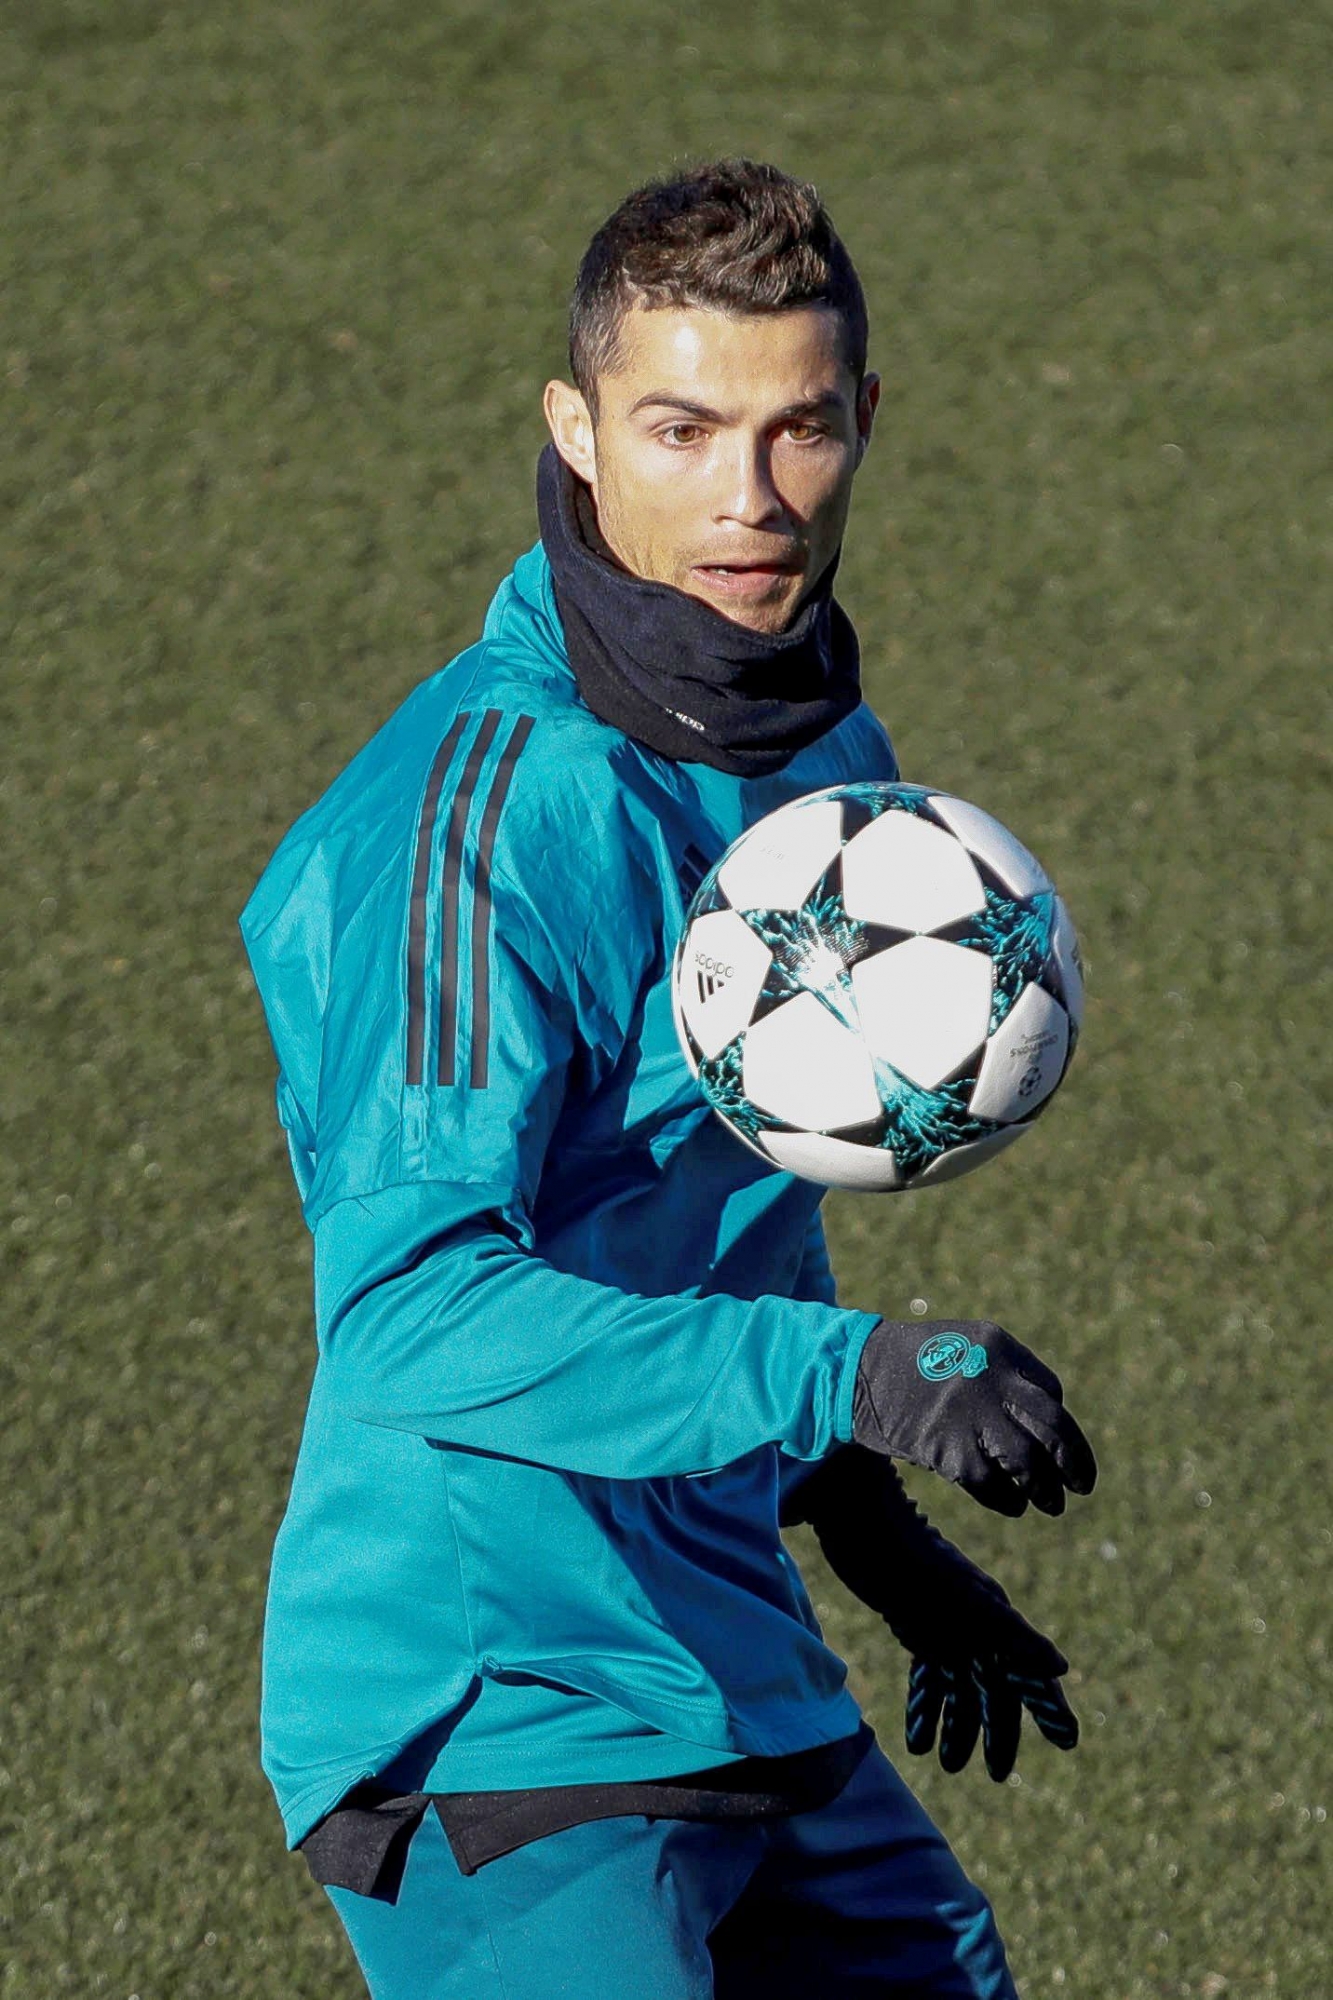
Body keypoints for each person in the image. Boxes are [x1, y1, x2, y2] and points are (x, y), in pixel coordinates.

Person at [240, 158, 1097, 2000]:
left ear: (862, 420)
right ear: (575, 426)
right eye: (681, 429)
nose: (748, 500)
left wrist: (857, 1515)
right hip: (494, 1693)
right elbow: (407, 1315)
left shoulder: (818, 754)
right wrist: (849, 1376)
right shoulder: (475, 819)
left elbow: (716, 1189)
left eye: (797, 432)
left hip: (715, 1627)